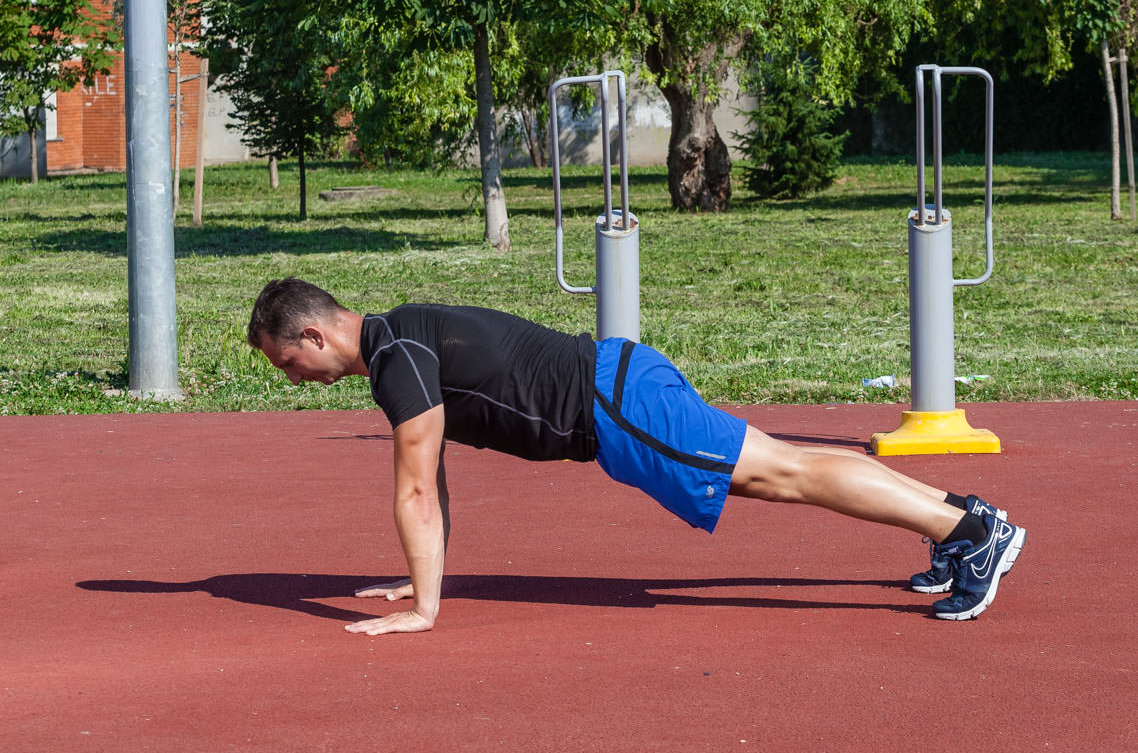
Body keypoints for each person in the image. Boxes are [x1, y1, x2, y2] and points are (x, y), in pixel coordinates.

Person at [248, 278, 1026, 636]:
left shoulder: (396, 362)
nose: (294, 380)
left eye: (288, 363)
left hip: (616, 407)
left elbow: (417, 492)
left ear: (315, 335)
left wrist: (425, 609)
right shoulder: (401, 333)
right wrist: (420, 579)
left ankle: (970, 533)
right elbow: (433, 478)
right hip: (621, 383)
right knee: (787, 464)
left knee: (789, 475)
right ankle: (964, 521)